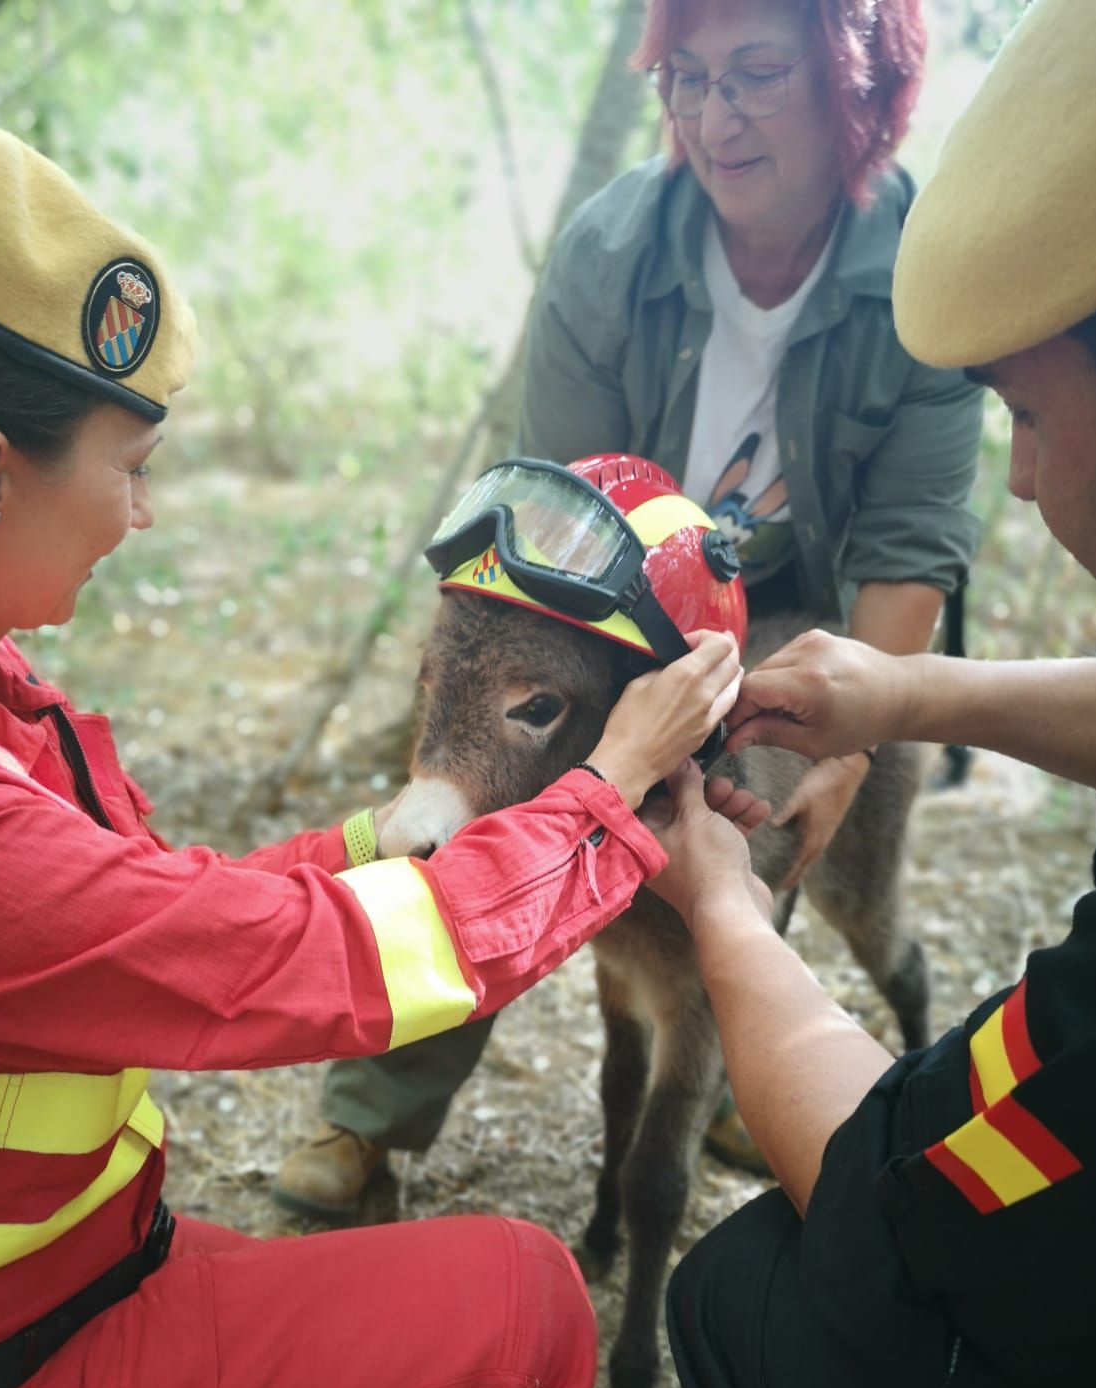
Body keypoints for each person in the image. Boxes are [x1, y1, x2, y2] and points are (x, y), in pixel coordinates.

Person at [0, 130, 745, 1388]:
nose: (145, 511)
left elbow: (169, 909)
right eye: (133, 467)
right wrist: (606, 793)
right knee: (528, 1313)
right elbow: (278, 969)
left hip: (58, 1290)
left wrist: (393, 835)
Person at [279, 0, 985, 1212]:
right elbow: (536, 535)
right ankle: (373, 1120)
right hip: (594, 604)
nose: (716, 117)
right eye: (688, 79)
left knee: (776, 773)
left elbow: (911, 545)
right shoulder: (613, 254)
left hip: (793, 610)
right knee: (495, 776)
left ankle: (718, 1068)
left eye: (759, 74)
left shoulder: (920, 272)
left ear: (852, 86)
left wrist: (857, 744)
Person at [654, 0, 1096, 1388]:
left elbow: (894, 1188)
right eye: (691, 81)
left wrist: (726, 904)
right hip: (744, 648)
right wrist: (921, 695)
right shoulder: (619, 249)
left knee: (749, 1290)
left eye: (1037, 419)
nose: (1032, 481)